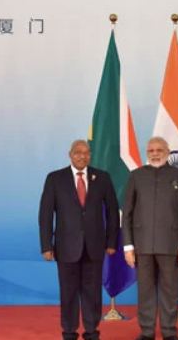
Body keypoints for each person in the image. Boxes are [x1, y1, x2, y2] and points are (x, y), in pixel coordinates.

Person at [38, 139, 119, 340]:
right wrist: (46, 245)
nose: (82, 156)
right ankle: (69, 332)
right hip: (65, 247)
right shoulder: (55, 178)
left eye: (86, 152)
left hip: (95, 246)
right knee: (68, 293)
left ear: (90, 155)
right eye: (77, 152)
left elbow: (112, 212)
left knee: (93, 293)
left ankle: (92, 332)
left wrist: (111, 242)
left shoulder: (102, 177)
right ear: (70, 154)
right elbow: (46, 214)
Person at [122, 137, 178, 340]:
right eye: (151, 150)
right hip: (142, 245)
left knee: (170, 291)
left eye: (159, 150)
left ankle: (169, 332)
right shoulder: (136, 176)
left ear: (168, 152)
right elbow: (127, 213)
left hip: (171, 245)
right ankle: (146, 332)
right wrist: (128, 246)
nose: (155, 153)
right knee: (145, 291)